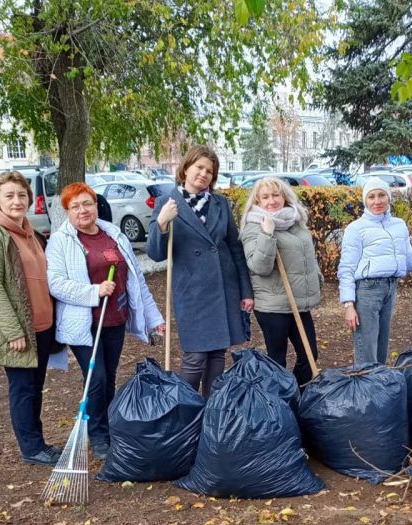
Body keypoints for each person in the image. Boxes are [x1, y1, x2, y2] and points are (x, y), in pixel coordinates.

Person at [46, 182, 165, 460]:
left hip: (114, 319)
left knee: (108, 377)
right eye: (74, 206)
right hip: (83, 323)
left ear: (95, 205)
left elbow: (137, 280)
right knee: (96, 378)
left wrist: (154, 318)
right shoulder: (60, 241)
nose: (82, 210)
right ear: (67, 212)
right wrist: (94, 291)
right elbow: (56, 284)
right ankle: (98, 436)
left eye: (87, 203)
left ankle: (109, 429)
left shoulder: (113, 234)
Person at [147, 144, 253, 398]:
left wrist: (245, 291)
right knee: (195, 358)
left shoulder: (220, 204)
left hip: (222, 288)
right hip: (192, 292)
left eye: (210, 171)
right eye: (199, 167)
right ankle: (184, 413)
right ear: (186, 168)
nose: (204, 174)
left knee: (217, 355)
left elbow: (235, 248)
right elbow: (155, 253)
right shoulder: (166, 202)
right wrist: (162, 222)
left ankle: (211, 416)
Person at [0, 170, 62, 465]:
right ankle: (31, 449)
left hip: (42, 326)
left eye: (21, 194)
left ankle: (39, 442)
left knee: (35, 388)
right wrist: (13, 331)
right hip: (18, 330)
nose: (17, 201)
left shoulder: (30, 232)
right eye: (9, 195)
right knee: (23, 390)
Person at [338, 177, 412, 366]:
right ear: (365, 201)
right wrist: (348, 304)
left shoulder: (398, 225)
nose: (377, 201)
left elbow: (406, 263)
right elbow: (346, 269)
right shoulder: (356, 229)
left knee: (382, 346)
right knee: (367, 349)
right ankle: (367, 389)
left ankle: (380, 388)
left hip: (390, 288)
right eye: (371, 197)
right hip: (366, 291)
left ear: (388, 198)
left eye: (382, 195)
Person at [240, 177, 322, 387]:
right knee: (277, 359)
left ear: (284, 196)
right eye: (265, 197)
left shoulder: (295, 220)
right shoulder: (254, 225)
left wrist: (316, 280)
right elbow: (259, 267)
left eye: (276, 195)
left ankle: (297, 395)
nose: (271, 201)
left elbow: (306, 257)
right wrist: (267, 233)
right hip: (273, 304)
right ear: (257, 200)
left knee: (310, 354)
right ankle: (278, 405)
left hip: (298, 301)